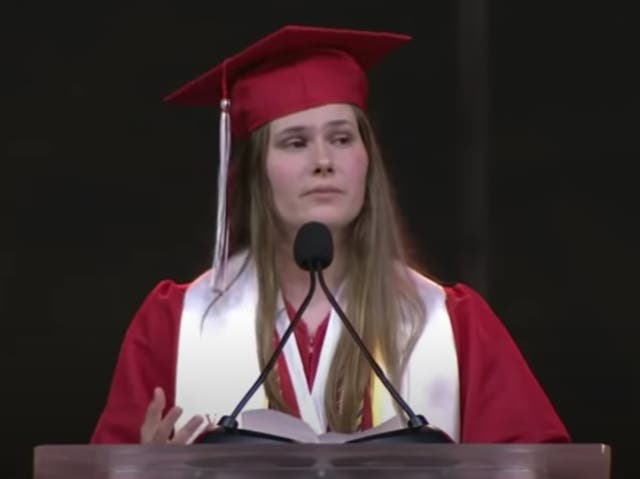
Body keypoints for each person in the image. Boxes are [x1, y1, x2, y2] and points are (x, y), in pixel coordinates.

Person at [90, 25, 570, 445]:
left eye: (341, 137)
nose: (324, 160)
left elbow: (536, 464)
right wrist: (143, 469)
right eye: (295, 142)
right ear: (256, 174)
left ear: (367, 161)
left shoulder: (452, 325)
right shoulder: (175, 325)